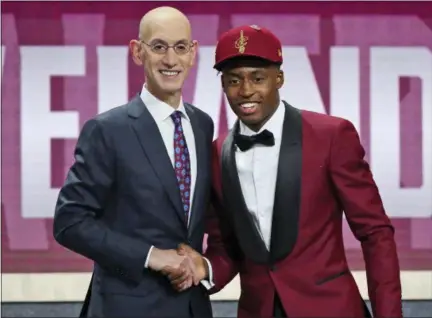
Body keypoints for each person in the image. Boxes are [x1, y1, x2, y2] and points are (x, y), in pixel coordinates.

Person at [166, 25, 403, 318]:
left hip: (331, 309)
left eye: (258, 78)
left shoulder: (331, 135)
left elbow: (375, 232)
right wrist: (206, 268)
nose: (246, 90)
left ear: (279, 78)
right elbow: (226, 246)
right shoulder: (215, 153)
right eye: (233, 80)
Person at [53, 6, 215, 318]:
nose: (170, 60)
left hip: (192, 308)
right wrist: (151, 256)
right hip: (126, 306)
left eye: (180, 47)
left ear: (193, 54)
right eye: (158, 47)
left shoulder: (202, 125)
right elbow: (70, 222)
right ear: (137, 52)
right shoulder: (107, 130)